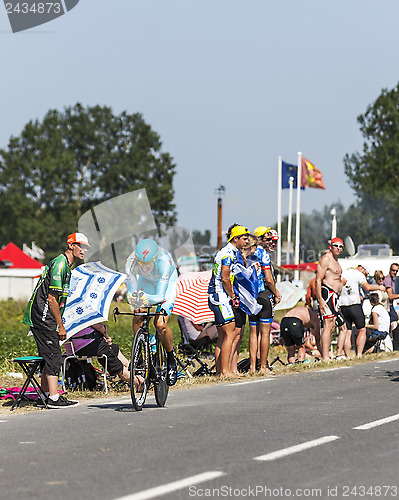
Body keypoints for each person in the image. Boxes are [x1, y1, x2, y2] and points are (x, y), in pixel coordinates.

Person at [22, 232, 91, 408]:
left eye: (85, 247)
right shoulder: (60, 264)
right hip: (43, 316)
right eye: (80, 246)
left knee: (48, 356)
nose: (83, 250)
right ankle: (53, 398)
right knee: (54, 356)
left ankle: (46, 395)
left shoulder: (67, 266)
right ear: (71, 245)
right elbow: (52, 299)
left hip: (44, 317)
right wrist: (61, 326)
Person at [125, 239, 178, 386]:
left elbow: (160, 297)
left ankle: (170, 358)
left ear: (154, 259)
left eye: (147, 263)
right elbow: (131, 290)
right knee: (138, 312)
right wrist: (134, 298)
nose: (143, 266)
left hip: (165, 284)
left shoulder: (164, 262)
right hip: (147, 282)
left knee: (160, 324)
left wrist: (143, 298)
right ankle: (139, 355)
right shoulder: (130, 261)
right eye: (140, 263)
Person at [208, 224, 249, 377]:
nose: (246, 242)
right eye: (244, 239)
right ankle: (226, 371)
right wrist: (233, 296)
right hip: (220, 296)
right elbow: (225, 278)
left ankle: (221, 371)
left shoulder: (229, 252)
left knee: (223, 336)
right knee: (230, 334)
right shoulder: (228, 254)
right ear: (236, 238)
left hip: (217, 295)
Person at [65, 322, 144, 390]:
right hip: (90, 344)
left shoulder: (65, 314)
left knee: (113, 348)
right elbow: (96, 325)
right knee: (116, 365)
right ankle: (137, 381)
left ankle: (131, 371)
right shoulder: (83, 310)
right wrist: (104, 330)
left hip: (75, 349)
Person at [248, 226, 282, 374]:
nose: (270, 242)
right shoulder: (263, 254)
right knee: (265, 333)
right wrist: (276, 293)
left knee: (253, 333)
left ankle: (252, 367)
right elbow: (269, 279)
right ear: (260, 239)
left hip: (251, 295)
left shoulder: (247, 253)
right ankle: (262, 367)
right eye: (267, 239)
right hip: (263, 294)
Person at [337, 264, 385, 359]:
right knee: (362, 330)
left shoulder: (344, 272)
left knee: (347, 331)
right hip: (354, 304)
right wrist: (379, 287)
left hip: (343, 305)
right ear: (362, 269)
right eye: (366, 274)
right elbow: (367, 287)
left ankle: (347, 355)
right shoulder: (358, 274)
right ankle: (359, 354)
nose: (366, 276)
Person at [315, 237, 346, 360]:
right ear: (331, 246)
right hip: (327, 294)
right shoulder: (326, 259)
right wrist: (321, 300)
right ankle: (326, 356)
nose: (338, 248)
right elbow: (318, 280)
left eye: (340, 246)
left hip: (335, 296)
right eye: (336, 246)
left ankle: (334, 354)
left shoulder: (335, 260)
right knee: (328, 325)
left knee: (334, 325)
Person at [383, 263, 399, 350]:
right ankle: (394, 344)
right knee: (394, 324)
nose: (395, 272)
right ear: (390, 270)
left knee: (394, 321)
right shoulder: (388, 280)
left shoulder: (392, 280)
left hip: (390, 305)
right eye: (393, 270)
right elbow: (390, 296)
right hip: (387, 306)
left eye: (396, 271)